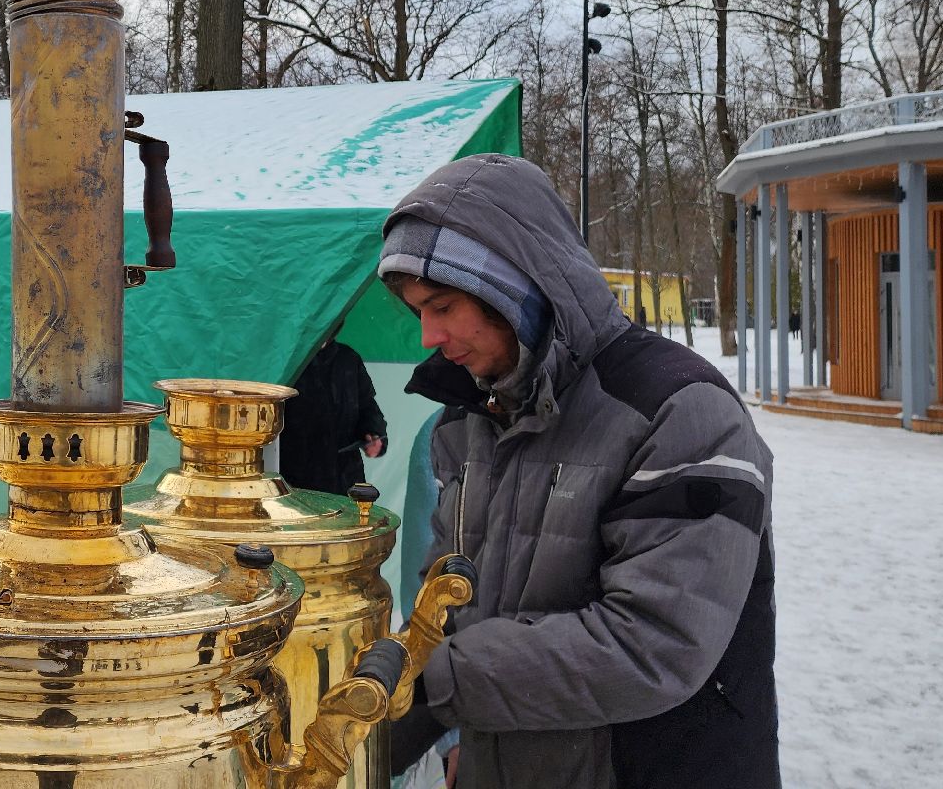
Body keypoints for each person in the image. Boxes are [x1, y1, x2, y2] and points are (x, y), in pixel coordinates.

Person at [381, 153, 778, 789]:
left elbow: (654, 644)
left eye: (444, 304)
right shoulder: (468, 420)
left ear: (513, 286)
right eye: (416, 311)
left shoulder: (676, 409)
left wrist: (433, 685)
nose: (429, 335)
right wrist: (364, 733)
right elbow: (445, 608)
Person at [280, 326, 387, 494]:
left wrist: (374, 435)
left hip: (345, 478)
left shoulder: (348, 358)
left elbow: (367, 406)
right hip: (293, 478)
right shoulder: (285, 359)